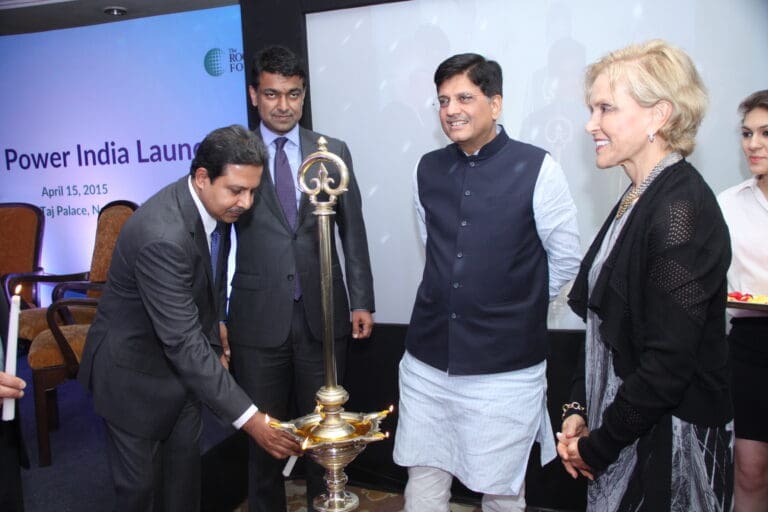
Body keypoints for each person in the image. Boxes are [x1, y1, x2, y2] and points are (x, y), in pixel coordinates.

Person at [77, 125, 301, 512]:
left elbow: (204, 288)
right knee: (140, 495)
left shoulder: (215, 208)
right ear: (202, 178)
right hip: (133, 379)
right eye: (236, 190)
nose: (246, 203)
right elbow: (180, 339)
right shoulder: (162, 235)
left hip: (182, 380)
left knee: (182, 493)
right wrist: (252, 420)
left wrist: (216, 336)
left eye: (253, 191)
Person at [393, 52, 581, 512]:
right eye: (442, 100)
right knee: (425, 474)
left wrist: (516, 308)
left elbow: (566, 259)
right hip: (428, 360)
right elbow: (433, 247)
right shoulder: (427, 169)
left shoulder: (538, 167)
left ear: (495, 104)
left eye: (464, 97)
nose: (451, 109)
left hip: (505, 369)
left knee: (501, 488)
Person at [557, 40, 734, 511]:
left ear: (659, 115)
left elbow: (668, 365)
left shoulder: (680, 210)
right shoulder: (637, 196)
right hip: (626, 431)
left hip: (670, 448)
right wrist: (578, 409)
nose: (591, 124)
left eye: (606, 108)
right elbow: (601, 323)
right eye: (592, 108)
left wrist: (598, 446)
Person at [226, 45, 375, 512]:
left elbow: (354, 232)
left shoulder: (332, 152)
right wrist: (213, 314)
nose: (283, 105)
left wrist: (361, 300)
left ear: (303, 94)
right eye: (272, 94)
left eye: (293, 94)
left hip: (322, 316)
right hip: (256, 321)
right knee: (264, 443)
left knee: (323, 441)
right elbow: (215, 244)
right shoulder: (236, 154)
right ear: (254, 95)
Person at [718, 89, 768, 512]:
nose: (753, 144)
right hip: (751, 345)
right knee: (749, 469)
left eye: (766, 133)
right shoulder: (728, 205)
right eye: (748, 133)